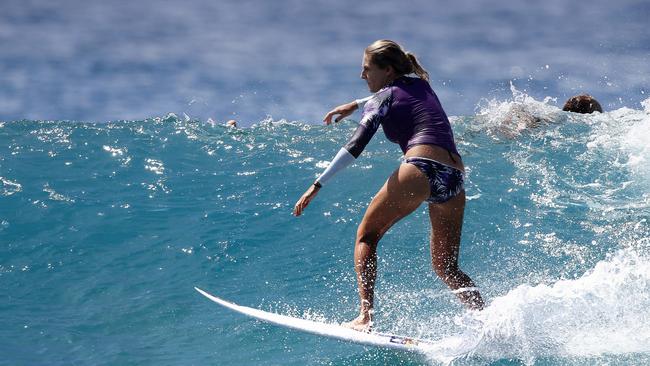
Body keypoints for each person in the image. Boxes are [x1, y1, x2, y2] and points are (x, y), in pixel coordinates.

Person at [293, 40, 484, 332]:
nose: (362, 76)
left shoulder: (383, 98)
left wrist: (317, 184)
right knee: (447, 268)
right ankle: (486, 320)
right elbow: (395, 95)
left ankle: (365, 317)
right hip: (454, 177)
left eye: (367, 69)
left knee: (366, 237)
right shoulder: (421, 84)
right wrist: (356, 104)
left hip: (420, 168)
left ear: (387, 69)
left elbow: (355, 144)